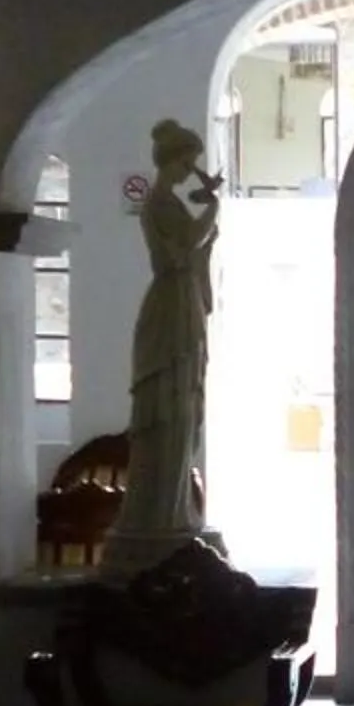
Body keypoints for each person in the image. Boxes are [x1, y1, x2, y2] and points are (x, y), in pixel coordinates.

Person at [114, 119, 225, 556]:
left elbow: (194, 245)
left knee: (184, 402)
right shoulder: (159, 202)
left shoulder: (169, 202)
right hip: (171, 304)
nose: (190, 168)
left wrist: (205, 213)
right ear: (172, 160)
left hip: (182, 299)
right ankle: (159, 513)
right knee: (169, 403)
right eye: (188, 160)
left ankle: (175, 510)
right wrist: (212, 209)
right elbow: (187, 241)